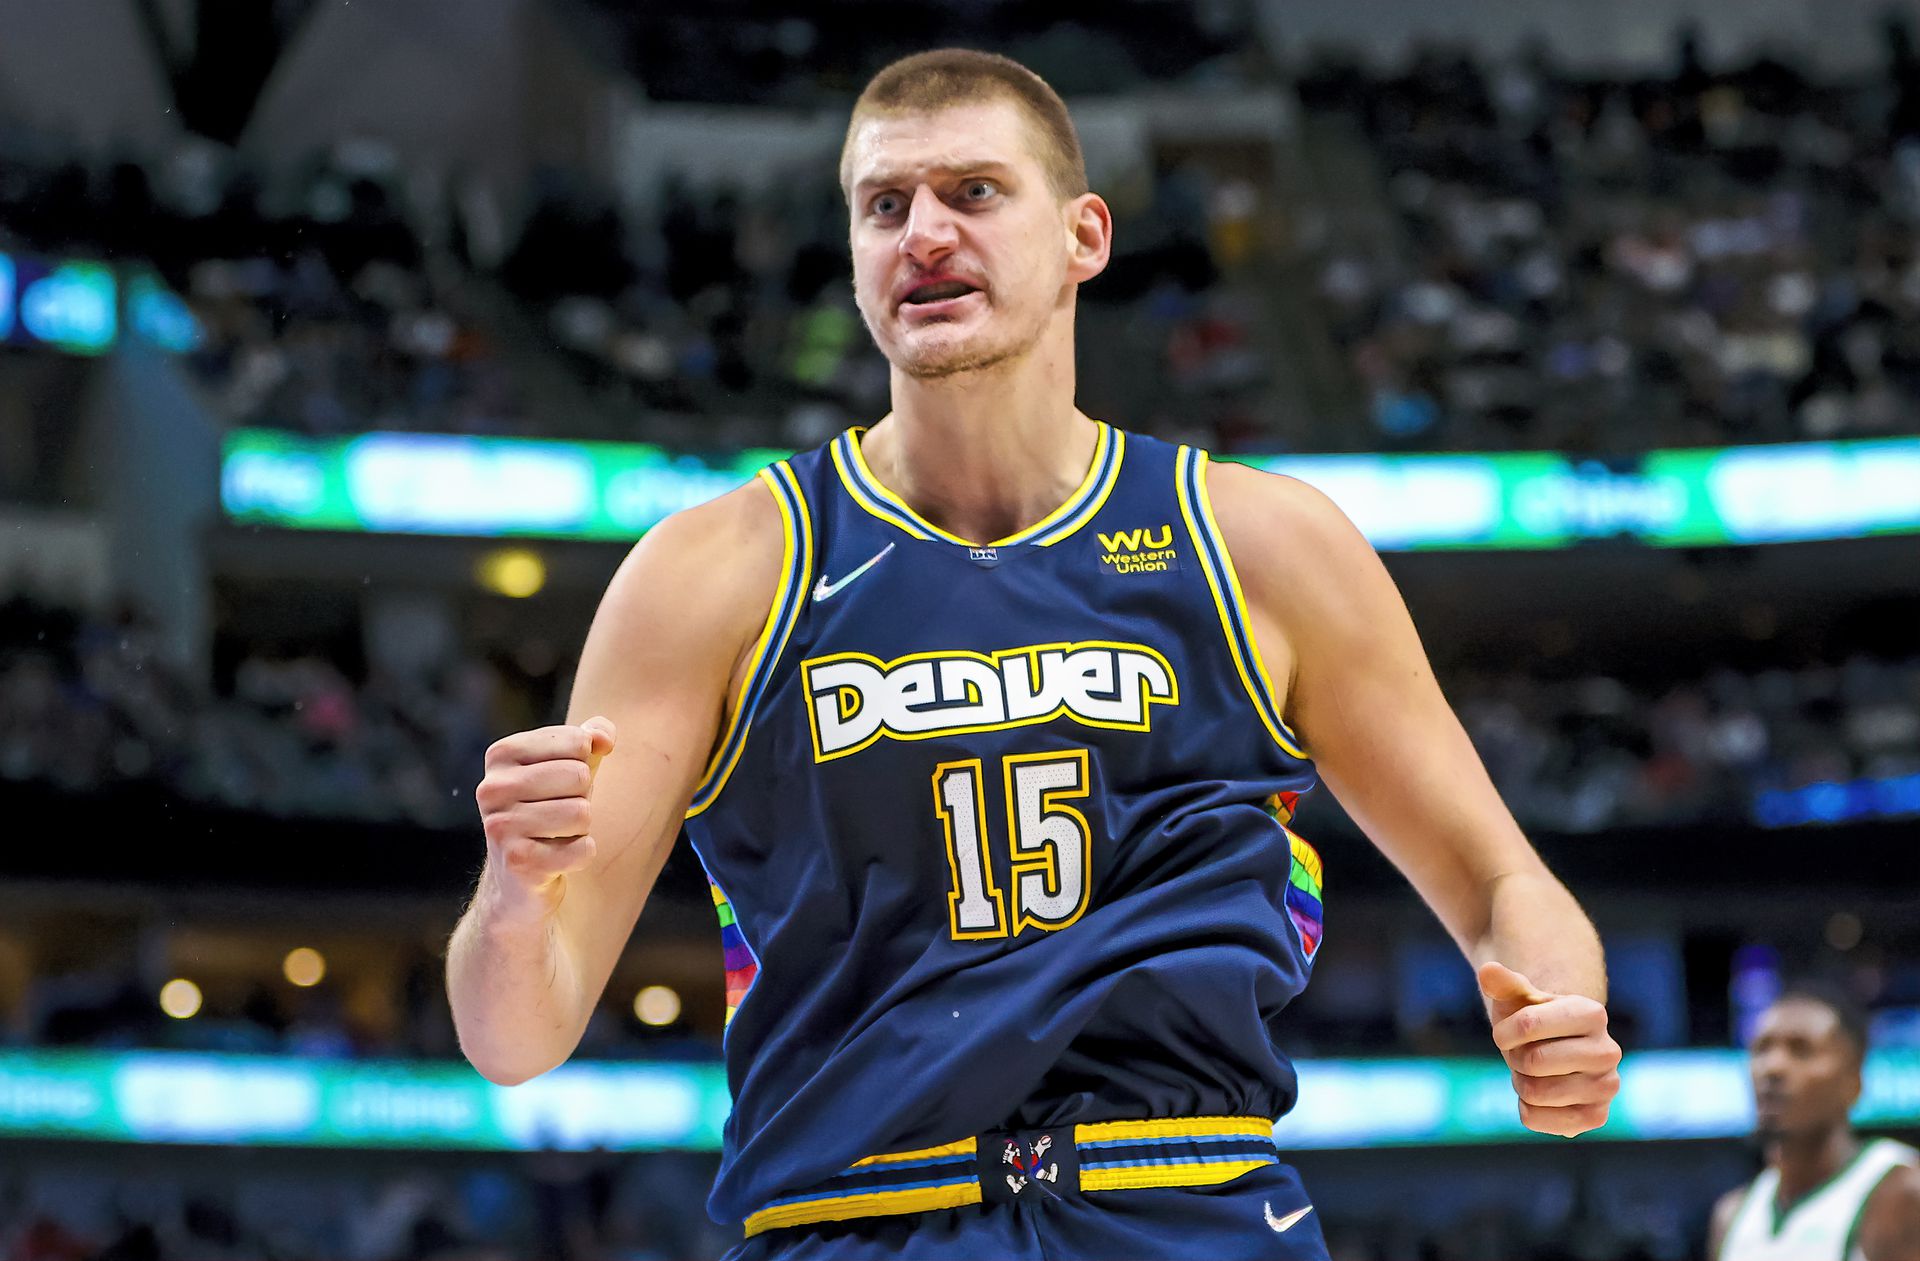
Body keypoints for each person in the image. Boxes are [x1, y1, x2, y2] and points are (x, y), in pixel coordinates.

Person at [446, 48, 1622, 1260]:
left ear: (1084, 236)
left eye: (974, 192)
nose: (926, 235)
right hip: (848, 1214)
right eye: (885, 206)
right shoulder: (716, 571)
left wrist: (1563, 1004)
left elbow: (1503, 886)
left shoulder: (1259, 545)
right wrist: (518, 895)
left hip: (1188, 1201)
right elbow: (514, 1036)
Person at [1709, 984, 1920, 1261]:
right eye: (1761, 1049)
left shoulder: (1901, 1193)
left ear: (1853, 1081)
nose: (1773, 1067)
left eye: (1801, 1050)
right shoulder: (1732, 1214)